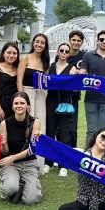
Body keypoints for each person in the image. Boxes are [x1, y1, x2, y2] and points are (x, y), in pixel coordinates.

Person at [0, 91, 42, 205]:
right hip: (10, 164)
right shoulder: (4, 124)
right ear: (12, 106)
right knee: (8, 190)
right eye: (16, 103)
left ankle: (23, 182)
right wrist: (3, 145)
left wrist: (13, 157)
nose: (19, 106)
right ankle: (10, 179)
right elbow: (5, 152)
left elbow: (32, 149)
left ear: (28, 106)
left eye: (22, 103)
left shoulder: (35, 122)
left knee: (31, 199)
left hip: (29, 164)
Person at [17, 33, 50, 173]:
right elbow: (19, 80)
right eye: (37, 42)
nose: (39, 45)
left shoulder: (45, 62)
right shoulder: (25, 59)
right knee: (25, 127)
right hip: (27, 94)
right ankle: (20, 161)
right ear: (33, 43)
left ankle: (37, 164)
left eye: (42, 43)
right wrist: (23, 99)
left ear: (45, 45)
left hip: (40, 95)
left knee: (39, 127)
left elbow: (46, 82)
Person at [44, 43, 76, 177]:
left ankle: (64, 164)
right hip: (51, 101)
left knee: (64, 133)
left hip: (65, 102)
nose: (63, 52)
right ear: (57, 52)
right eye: (61, 50)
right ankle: (49, 162)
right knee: (50, 131)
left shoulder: (72, 68)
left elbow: (74, 87)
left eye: (66, 51)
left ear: (68, 54)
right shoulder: (50, 66)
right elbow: (44, 82)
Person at [0, 42, 19, 130]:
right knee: (4, 133)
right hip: (0, 104)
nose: (11, 55)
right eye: (8, 52)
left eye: (14, 53)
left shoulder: (18, 68)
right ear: (3, 53)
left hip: (14, 106)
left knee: (15, 133)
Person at [66, 30, 86, 148]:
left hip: (74, 96)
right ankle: (58, 155)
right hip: (60, 95)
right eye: (73, 40)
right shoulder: (62, 53)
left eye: (79, 40)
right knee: (59, 127)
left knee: (73, 127)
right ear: (69, 40)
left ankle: (72, 152)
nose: (76, 42)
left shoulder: (85, 56)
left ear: (82, 42)